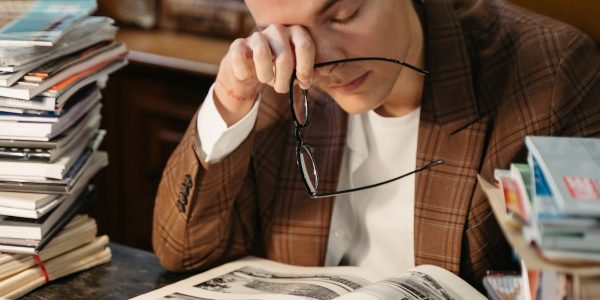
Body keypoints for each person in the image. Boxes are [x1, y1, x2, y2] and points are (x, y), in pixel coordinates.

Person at [152, 0, 600, 290]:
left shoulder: (551, 73)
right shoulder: (278, 72)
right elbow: (184, 252)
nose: (319, 60)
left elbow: (577, 282)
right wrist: (230, 102)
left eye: (344, 15)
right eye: (287, 30)